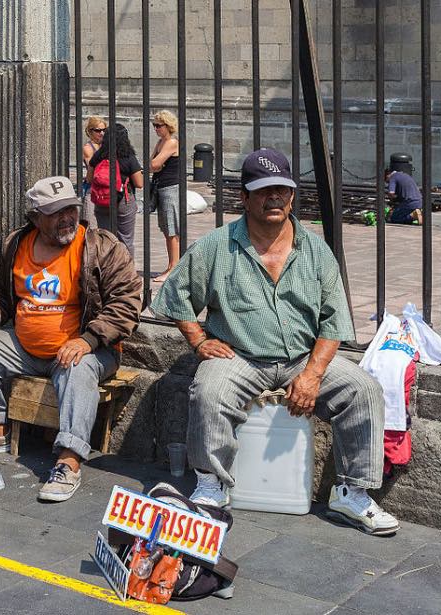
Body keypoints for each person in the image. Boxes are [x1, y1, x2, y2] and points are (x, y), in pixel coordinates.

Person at [151, 148, 399, 536]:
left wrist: (314, 374)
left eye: (282, 190)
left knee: (363, 388)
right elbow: (175, 296)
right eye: (263, 191)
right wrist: (198, 341)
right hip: (241, 355)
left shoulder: (315, 250)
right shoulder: (217, 246)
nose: (274, 199)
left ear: (292, 196)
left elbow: (334, 322)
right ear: (244, 198)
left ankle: (351, 493)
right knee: (209, 388)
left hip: (302, 357)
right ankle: (212, 485)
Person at [0, 176, 142, 502]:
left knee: (76, 367)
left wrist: (88, 340)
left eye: (71, 209)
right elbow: (0, 294)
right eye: (56, 212)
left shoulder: (100, 246)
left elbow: (127, 303)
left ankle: (69, 461)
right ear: (36, 217)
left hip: (88, 347)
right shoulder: (17, 244)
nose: (67, 218)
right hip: (26, 347)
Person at [86, 124, 144, 259]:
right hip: (124, 199)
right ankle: (126, 272)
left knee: (105, 238)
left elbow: (89, 179)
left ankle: (107, 272)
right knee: (125, 239)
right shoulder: (128, 157)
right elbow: (139, 183)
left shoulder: (98, 156)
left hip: (102, 200)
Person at [149, 110, 182, 282]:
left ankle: (174, 267)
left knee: (172, 228)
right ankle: (171, 265)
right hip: (161, 187)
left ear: (167, 126)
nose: (155, 129)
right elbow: (151, 165)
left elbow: (154, 163)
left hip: (171, 188)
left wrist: (156, 165)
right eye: (154, 125)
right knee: (165, 228)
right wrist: (155, 165)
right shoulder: (161, 142)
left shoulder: (171, 142)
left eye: (158, 125)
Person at [81, 116, 107, 226]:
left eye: (104, 130)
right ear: (90, 131)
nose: (101, 133)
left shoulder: (106, 145)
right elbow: (93, 167)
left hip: (106, 188)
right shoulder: (88, 148)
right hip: (93, 188)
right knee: (91, 226)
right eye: (98, 130)